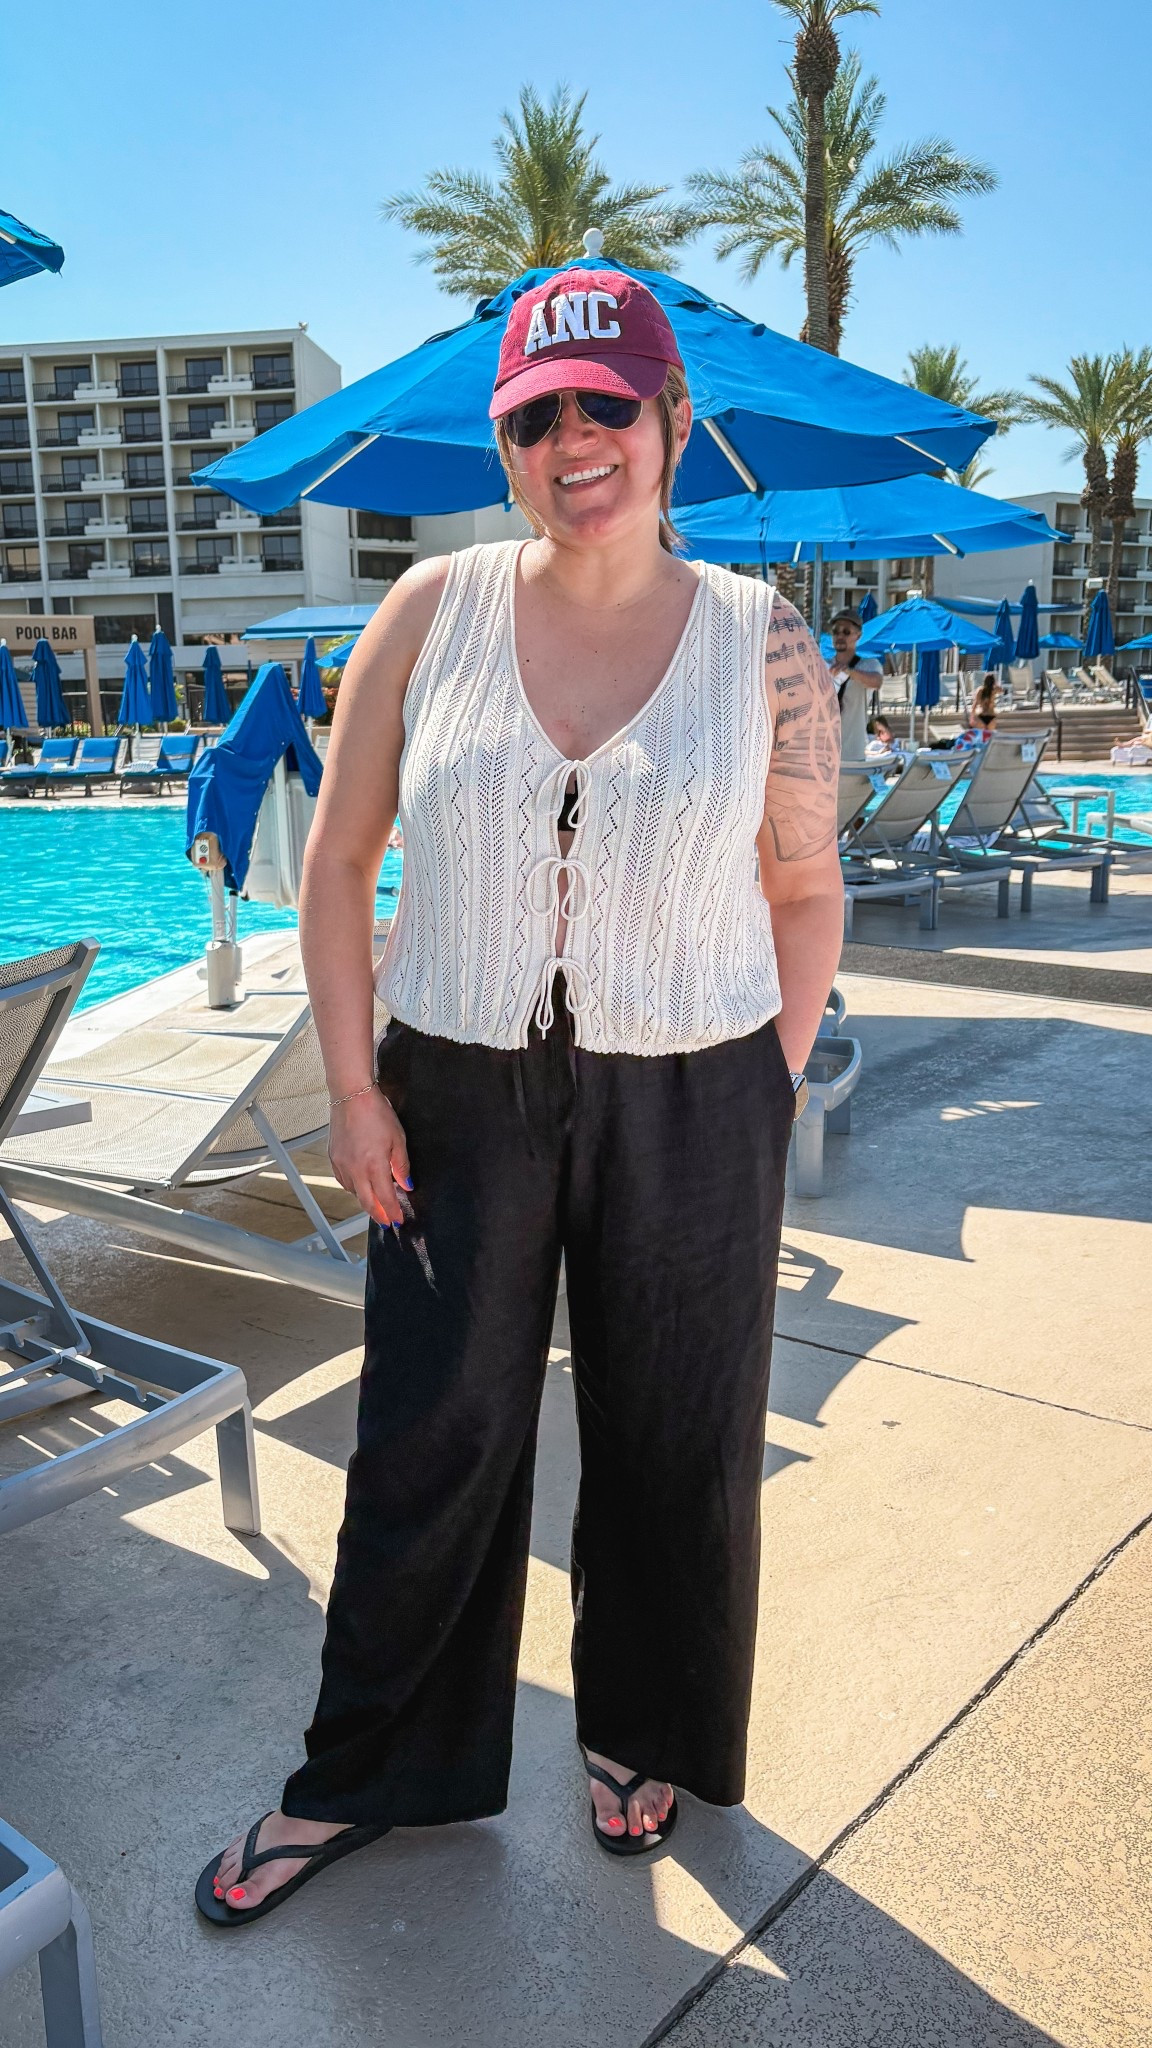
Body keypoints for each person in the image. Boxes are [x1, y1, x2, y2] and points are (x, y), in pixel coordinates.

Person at [196, 268, 844, 1925]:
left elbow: (803, 885)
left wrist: (760, 1084)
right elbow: (337, 862)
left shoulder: (763, 645)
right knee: (430, 1427)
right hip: (455, 1076)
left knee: (672, 1436)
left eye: (603, 406)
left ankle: (641, 1727)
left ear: (669, 422)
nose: (572, 440)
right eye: (534, 414)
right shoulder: (431, 613)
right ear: (505, 444)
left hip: (692, 1079)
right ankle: (365, 1771)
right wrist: (353, 1086)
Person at [828, 609, 884, 761]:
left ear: (858, 635)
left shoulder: (868, 665)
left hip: (853, 751)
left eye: (846, 632)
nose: (840, 636)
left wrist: (849, 672)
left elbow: (877, 681)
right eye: (836, 632)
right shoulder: (823, 666)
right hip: (824, 753)